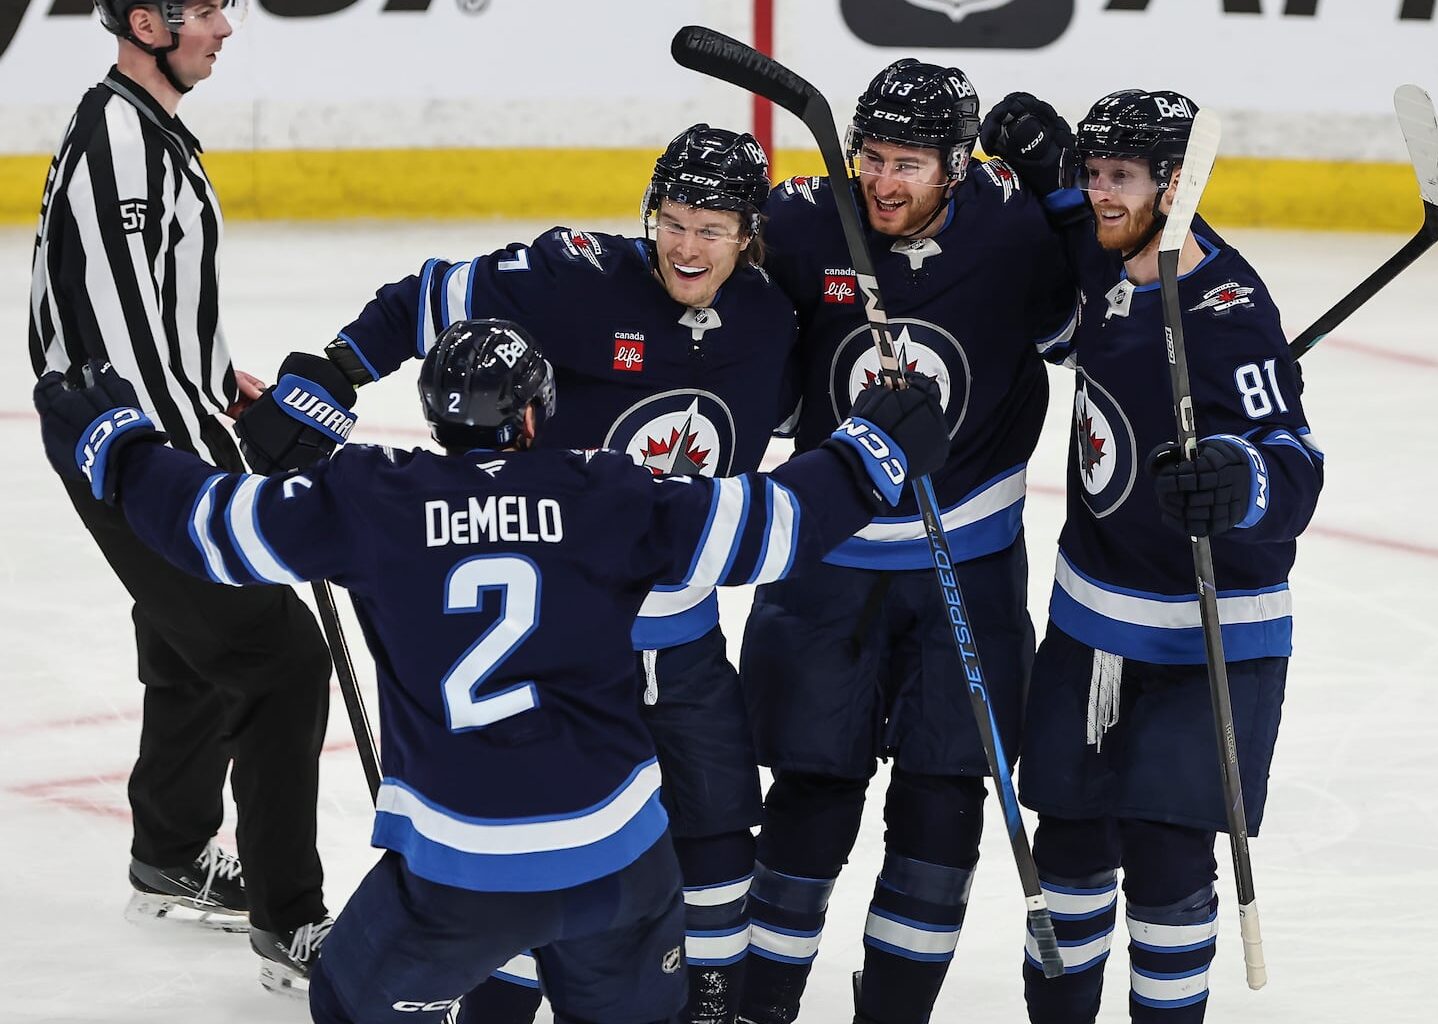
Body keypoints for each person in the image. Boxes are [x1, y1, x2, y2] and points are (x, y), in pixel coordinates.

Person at [32, 317, 951, 1024]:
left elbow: (208, 527)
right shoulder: (606, 492)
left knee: (348, 1005)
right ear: (533, 414)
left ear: (435, 417)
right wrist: (872, 455)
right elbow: (774, 527)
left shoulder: (372, 497)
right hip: (618, 866)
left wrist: (115, 447)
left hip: (456, 878)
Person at [237, 123, 796, 1024]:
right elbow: (428, 300)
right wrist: (337, 373)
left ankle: (712, 1009)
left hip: (687, 637)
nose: (687, 248)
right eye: (674, 222)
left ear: (749, 235)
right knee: (539, 861)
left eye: (713, 230)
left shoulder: (773, 318)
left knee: (721, 830)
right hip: (569, 642)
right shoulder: (577, 276)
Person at [735, 59, 1079, 1024]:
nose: (883, 183)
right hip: (828, 569)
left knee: (942, 807)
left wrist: (1062, 195)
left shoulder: (1014, 227)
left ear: (958, 166)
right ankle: (759, 1008)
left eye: (909, 166)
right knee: (811, 797)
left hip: (964, 564)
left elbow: (1083, 332)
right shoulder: (803, 223)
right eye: (872, 158)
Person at [979, 89, 1324, 1021]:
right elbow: (1069, 312)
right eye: (1093, 174)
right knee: (1069, 855)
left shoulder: (1229, 309)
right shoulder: (1108, 255)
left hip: (1207, 638)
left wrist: (1237, 479)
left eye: (1120, 178)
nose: (1100, 194)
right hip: (1092, 619)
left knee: (1169, 862)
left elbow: (1297, 466)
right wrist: (1050, 179)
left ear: (1176, 183)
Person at [27, 0, 333, 994]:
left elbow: (154, 314)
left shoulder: (147, 125)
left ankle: (167, 849)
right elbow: (121, 351)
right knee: (282, 657)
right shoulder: (119, 139)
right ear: (147, 20)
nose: (225, 27)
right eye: (203, 8)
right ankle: (289, 920)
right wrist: (220, 485)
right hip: (126, 450)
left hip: (146, 429)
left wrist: (219, 382)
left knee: (190, 636)